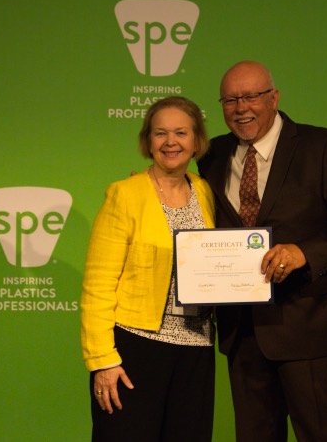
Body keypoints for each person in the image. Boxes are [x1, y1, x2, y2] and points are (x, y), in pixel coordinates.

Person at [197, 61, 327, 442]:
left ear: (274, 97)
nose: (241, 108)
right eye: (230, 100)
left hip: (312, 328)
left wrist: (304, 253)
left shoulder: (322, 146)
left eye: (251, 96)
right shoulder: (211, 155)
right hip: (243, 333)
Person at [80, 96, 216, 442]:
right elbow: (98, 285)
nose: (171, 142)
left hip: (197, 349)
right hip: (135, 350)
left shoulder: (205, 191)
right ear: (148, 141)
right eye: (160, 133)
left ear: (196, 141)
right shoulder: (125, 194)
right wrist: (103, 361)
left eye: (181, 133)